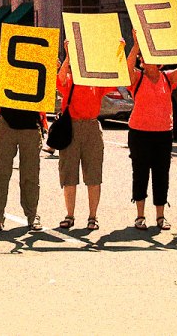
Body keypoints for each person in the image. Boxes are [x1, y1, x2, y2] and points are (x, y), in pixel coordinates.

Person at [125, 32, 177, 231]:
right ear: (142, 61)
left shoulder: (167, 78)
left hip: (163, 134)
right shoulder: (137, 77)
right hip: (139, 133)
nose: (148, 60)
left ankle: (161, 216)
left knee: (162, 174)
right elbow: (126, 67)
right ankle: (140, 216)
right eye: (145, 57)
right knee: (141, 173)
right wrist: (135, 45)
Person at [54, 39, 116, 231]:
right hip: (70, 127)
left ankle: (92, 217)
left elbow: (115, 79)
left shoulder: (96, 80)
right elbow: (60, 79)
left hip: (91, 127)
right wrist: (69, 55)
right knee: (69, 174)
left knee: (94, 174)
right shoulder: (71, 80)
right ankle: (69, 215)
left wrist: (118, 52)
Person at [0, 99, 46, 233]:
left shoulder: (41, 76)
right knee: (0, 172)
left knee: (30, 175)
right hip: (6, 123)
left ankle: (32, 216)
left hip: (31, 125)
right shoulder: (6, 75)